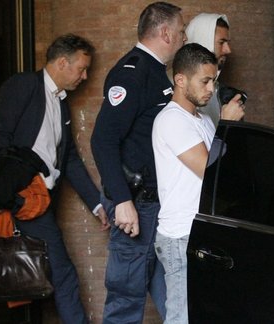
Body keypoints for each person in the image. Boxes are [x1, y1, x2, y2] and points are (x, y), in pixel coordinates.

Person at [0, 33, 109, 324]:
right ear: (61, 62)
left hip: (37, 202)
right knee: (56, 274)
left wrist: (97, 205)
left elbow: (68, 159)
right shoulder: (23, 86)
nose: (84, 77)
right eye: (82, 69)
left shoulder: (61, 103)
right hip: (18, 198)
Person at [90, 2, 185, 322]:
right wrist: (122, 201)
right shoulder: (133, 73)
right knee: (126, 299)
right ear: (166, 33)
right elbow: (102, 140)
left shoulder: (155, 71)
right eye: (182, 31)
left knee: (174, 294)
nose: (184, 37)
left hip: (159, 207)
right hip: (138, 204)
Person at [152, 43, 244, 324]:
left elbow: (228, 171)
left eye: (214, 81)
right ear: (180, 80)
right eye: (205, 81)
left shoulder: (202, 119)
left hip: (200, 232)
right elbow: (210, 169)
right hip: (181, 235)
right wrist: (226, 124)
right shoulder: (171, 119)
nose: (211, 89)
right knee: (182, 317)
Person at [185, 13, 246, 127]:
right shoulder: (176, 90)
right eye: (221, 42)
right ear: (203, 42)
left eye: (227, 43)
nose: (228, 50)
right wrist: (227, 123)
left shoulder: (218, 90)